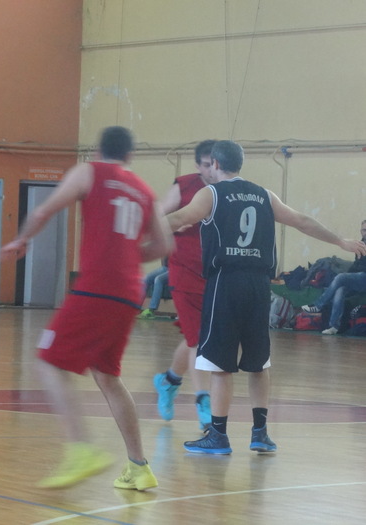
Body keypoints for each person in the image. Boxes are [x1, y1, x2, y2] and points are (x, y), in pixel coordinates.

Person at [0, 126, 175, 490]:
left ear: (98, 151)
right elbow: (164, 246)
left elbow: (45, 209)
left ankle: (81, 450)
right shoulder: (145, 191)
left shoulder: (89, 172)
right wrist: (128, 256)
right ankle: (139, 467)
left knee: (47, 362)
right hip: (130, 292)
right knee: (108, 377)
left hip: (98, 287)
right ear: (130, 155)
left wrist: (22, 239)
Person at [166, 140, 366, 455]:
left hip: (226, 283)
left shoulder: (211, 194)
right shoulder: (264, 195)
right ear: (240, 163)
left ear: (215, 164)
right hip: (259, 285)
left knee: (220, 365)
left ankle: (218, 436)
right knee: (259, 362)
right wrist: (339, 240)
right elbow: (302, 221)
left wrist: (141, 231)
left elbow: (178, 219)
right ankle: (260, 433)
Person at [153, 140, 215, 430]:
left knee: (197, 337)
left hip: (214, 273)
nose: (211, 169)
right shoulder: (185, 186)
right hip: (184, 270)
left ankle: (169, 381)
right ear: (197, 166)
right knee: (198, 340)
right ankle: (204, 402)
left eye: (215, 164)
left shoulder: (228, 190)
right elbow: (156, 215)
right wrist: (175, 223)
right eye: (206, 164)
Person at [301, 219, 366, 335]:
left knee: (341, 277)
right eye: (363, 230)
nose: (365, 233)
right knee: (340, 289)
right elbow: (356, 266)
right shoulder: (360, 245)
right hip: (359, 278)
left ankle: (318, 305)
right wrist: (349, 275)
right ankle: (334, 326)